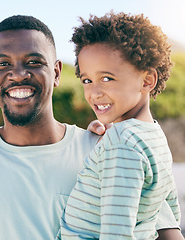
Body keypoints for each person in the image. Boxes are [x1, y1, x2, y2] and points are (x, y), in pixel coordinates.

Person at [0, 15, 181, 240]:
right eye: (3, 64)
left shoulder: (106, 148)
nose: (18, 74)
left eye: (33, 61)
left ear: (56, 72)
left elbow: (166, 229)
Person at [61, 12, 181, 239]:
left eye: (107, 78)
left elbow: (116, 233)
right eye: (87, 80)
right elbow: (171, 212)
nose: (94, 93)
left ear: (147, 80)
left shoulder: (122, 141)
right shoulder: (154, 135)